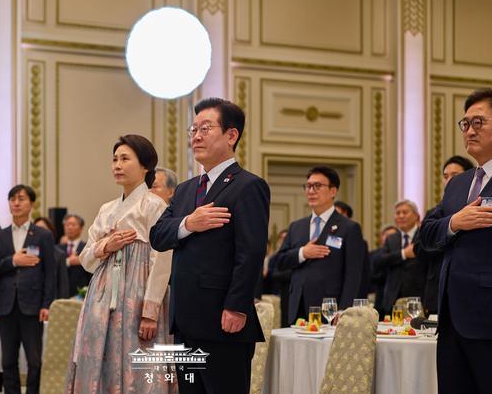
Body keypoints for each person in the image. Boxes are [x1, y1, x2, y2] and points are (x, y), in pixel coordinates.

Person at [150, 98, 269, 394]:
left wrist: (236, 306)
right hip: (185, 318)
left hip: (223, 319)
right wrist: (189, 223)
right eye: (193, 129)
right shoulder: (186, 189)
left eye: (205, 128)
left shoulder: (247, 186)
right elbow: (158, 235)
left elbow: (251, 253)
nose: (196, 136)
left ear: (231, 135)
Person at [67, 134, 174, 394]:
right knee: (98, 356)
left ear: (145, 165)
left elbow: (162, 260)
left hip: (137, 293)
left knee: (138, 359)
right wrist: (107, 245)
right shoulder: (107, 209)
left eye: (125, 159)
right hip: (101, 296)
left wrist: (150, 311)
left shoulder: (154, 206)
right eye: (115, 159)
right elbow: (86, 259)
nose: (117, 165)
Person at [420, 88, 492, 394]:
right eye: (465, 124)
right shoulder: (458, 184)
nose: (470, 130)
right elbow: (426, 233)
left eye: (479, 122)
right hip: (450, 319)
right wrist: (454, 222)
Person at [0, 185, 56, 394]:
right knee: (8, 359)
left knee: (34, 360)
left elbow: (50, 272)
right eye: (12, 199)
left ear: (31, 204)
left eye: (21, 199)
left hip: (33, 306)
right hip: (6, 305)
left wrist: (47, 304)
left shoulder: (43, 235)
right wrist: (13, 261)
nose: (16, 203)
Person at [275, 166, 365, 325]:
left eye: (317, 186)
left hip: (329, 309)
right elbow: (280, 261)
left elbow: (353, 274)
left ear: (333, 191)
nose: (311, 191)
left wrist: (343, 309)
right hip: (297, 306)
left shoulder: (349, 228)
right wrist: (303, 252)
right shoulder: (296, 226)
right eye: (308, 186)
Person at [418, 156, 474, 315]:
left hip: (472, 287)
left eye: (454, 176)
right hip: (438, 289)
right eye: (445, 176)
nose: (449, 180)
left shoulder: (478, 205)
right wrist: (453, 224)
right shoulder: (437, 211)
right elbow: (421, 248)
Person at [374, 200, 427, 315]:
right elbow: (380, 261)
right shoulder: (391, 238)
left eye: (405, 212)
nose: (401, 216)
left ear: (416, 216)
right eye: (397, 213)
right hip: (392, 299)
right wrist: (403, 254)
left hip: (420, 298)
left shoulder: (424, 236)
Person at [33, 216, 70, 299]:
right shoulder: (28, 252)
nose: (39, 232)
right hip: (30, 301)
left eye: (42, 229)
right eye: (36, 229)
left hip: (51, 300)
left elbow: (63, 285)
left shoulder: (59, 254)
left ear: (51, 232)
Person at [59, 214, 91, 297]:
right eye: (67, 225)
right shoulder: (58, 248)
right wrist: (68, 262)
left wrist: (83, 260)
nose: (70, 227)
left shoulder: (87, 248)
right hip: (61, 292)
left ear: (81, 228)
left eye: (73, 225)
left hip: (81, 292)